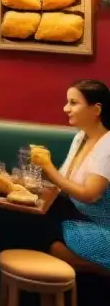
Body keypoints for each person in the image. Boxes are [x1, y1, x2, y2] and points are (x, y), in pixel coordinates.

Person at [32, 80, 110, 271]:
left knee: (30, 229)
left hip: (98, 228)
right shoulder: (80, 137)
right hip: (71, 213)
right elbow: (62, 182)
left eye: (73, 103)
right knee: (19, 219)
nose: (66, 108)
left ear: (96, 110)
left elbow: (90, 195)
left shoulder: (108, 144)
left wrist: (47, 167)